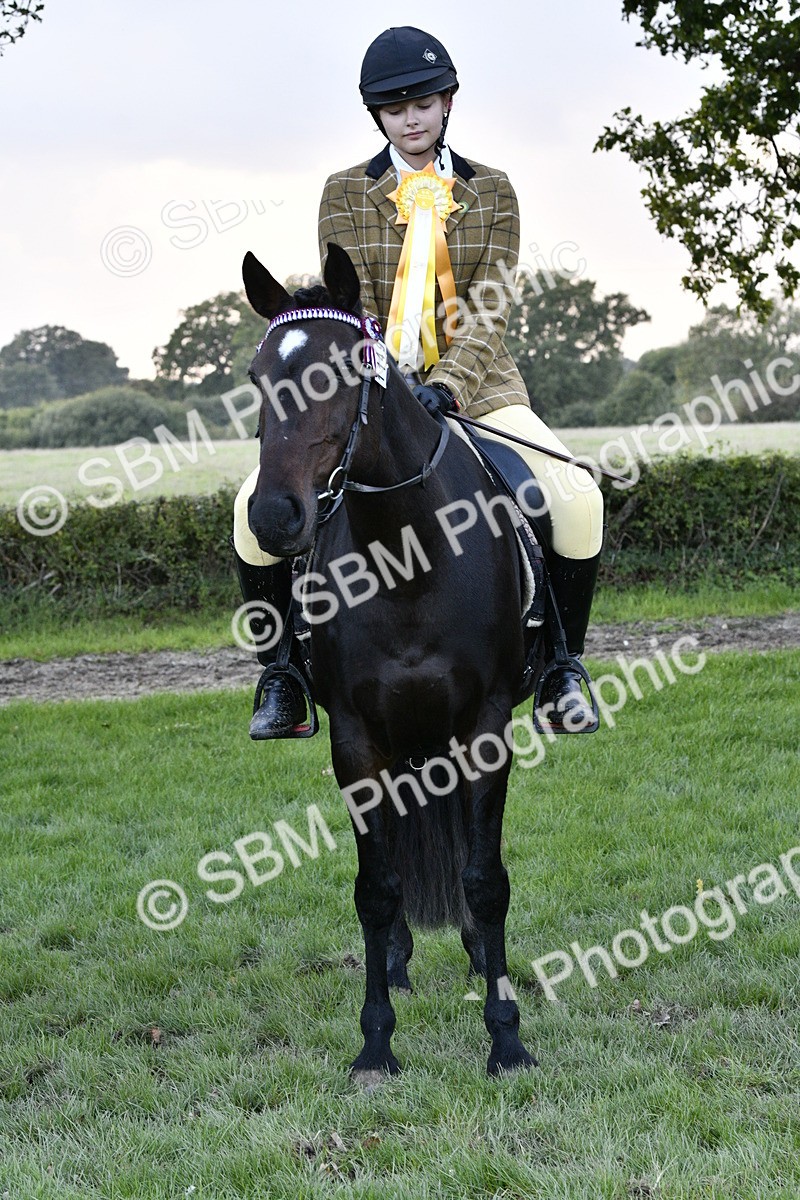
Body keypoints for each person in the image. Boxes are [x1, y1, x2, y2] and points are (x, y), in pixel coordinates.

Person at [233, 25, 603, 739]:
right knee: (251, 513)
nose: (411, 118)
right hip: (374, 392)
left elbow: (491, 303)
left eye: (424, 103)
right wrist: (395, 384)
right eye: (395, 108)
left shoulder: (492, 190)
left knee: (577, 498)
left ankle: (562, 668)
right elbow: (351, 305)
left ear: (448, 102)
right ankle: (280, 675)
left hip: (483, 387)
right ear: (377, 115)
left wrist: (452, 383)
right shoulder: (343, 192)